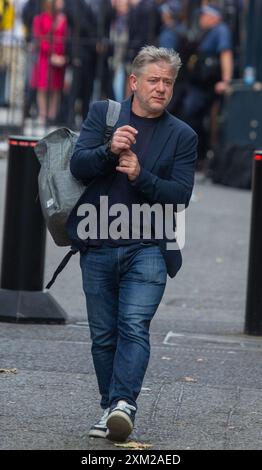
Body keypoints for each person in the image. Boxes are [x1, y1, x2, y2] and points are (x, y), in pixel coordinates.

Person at [68, 46, 198, 442]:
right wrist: (109, 150)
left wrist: (141, 176)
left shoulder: (183, 135)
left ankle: (124, 403)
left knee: (133, 325)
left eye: (168, 83)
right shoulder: (103, 116)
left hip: (149, 247)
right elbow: (78, 166)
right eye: (154, 80)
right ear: (134, 82)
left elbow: (180, 194)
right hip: (98, 241)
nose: (161, 88)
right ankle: (111, 408)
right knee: (103, 334)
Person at [180, 3, 233, 162]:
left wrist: (226, 80)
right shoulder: (207, 31)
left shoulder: (221, 30)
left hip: (208, 86)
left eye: (204, 15)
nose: (201, 18)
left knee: (200, 118)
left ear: (213, 17)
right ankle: (198, 156)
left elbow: (226, 54)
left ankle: (202, 157)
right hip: (199, 84)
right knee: (193, 117)